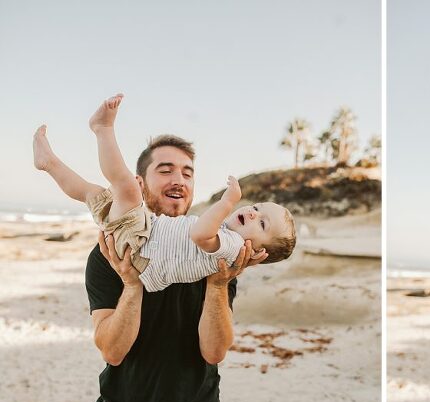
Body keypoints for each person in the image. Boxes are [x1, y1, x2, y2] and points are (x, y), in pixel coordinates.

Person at [33, 112, 265, 402]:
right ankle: (53, 160)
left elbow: (214, 351)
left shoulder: (214, 255)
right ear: (142, 182)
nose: (178, 179)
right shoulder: (108, 254)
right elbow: (112, 349)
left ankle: (58, 157)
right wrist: (132, 285)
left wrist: (220, 285)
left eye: (187, 172)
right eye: (166, 170)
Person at [33, 93, 296, 292]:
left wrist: (226, 202)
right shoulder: (226, 245)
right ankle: (50, 164)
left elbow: (199, 234)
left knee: (124, 187)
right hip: (141, 243)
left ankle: (103, 129)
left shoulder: (232, 246)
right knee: (92, 193)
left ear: (259, 253)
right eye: (257, 207)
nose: (251, 212)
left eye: (262, 223)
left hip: (141, 248)